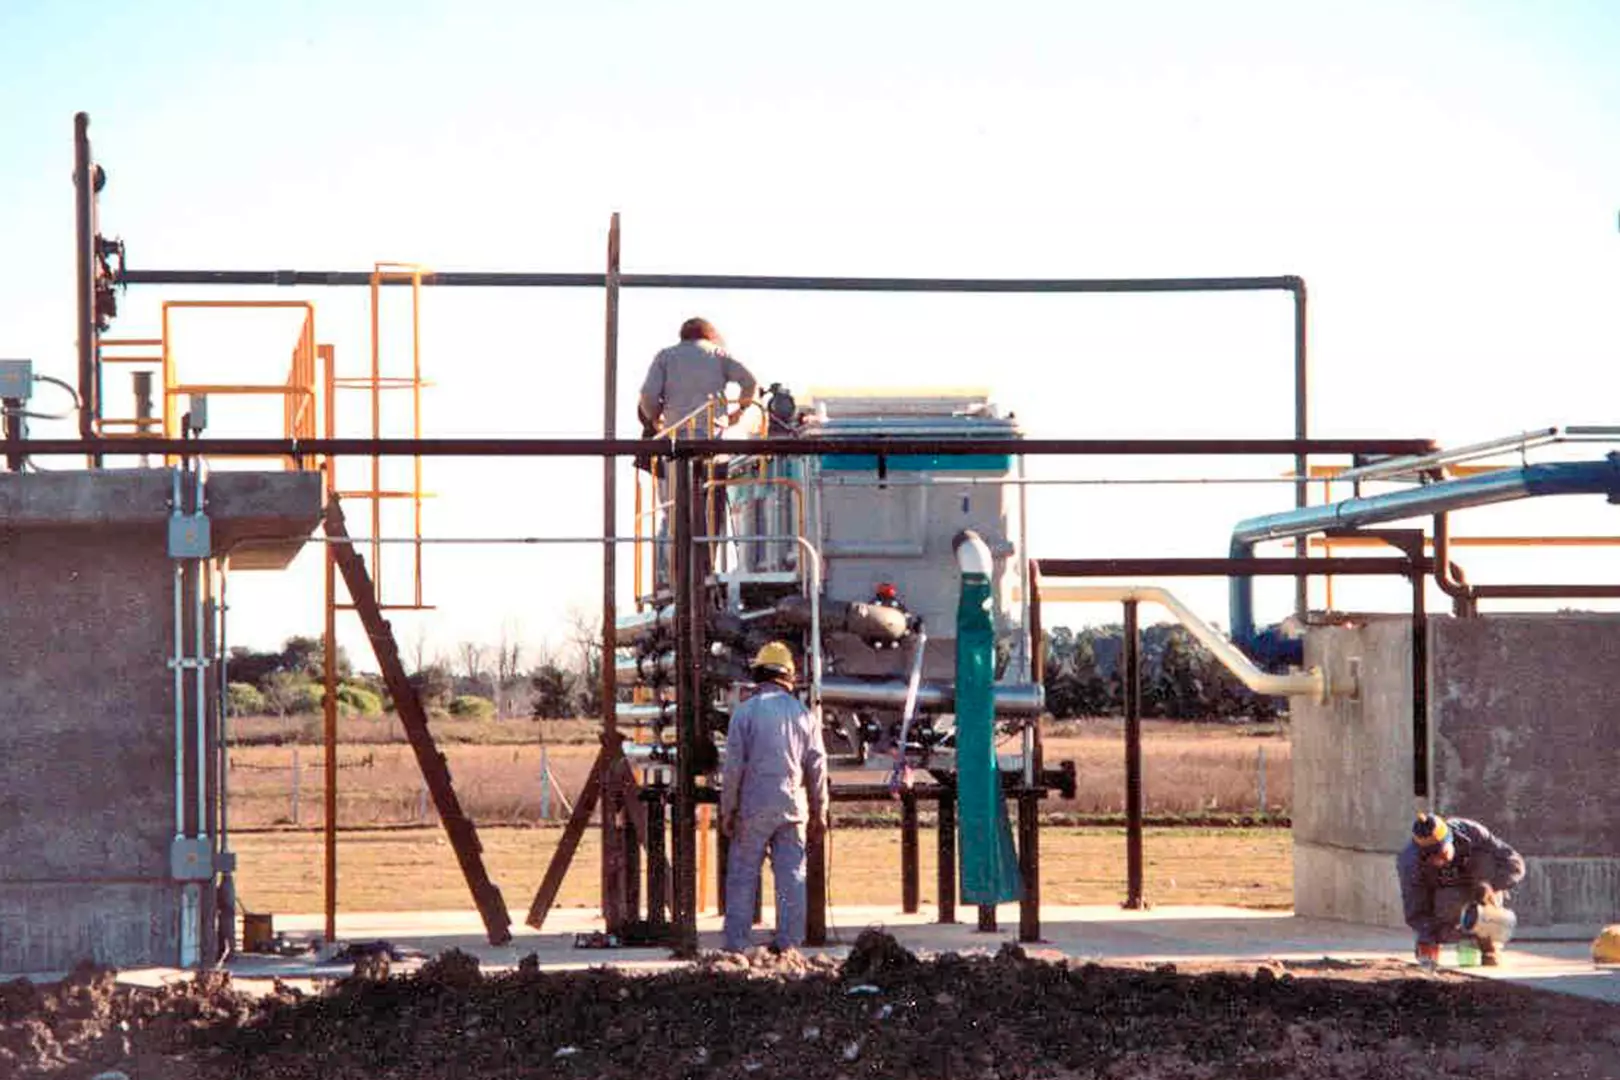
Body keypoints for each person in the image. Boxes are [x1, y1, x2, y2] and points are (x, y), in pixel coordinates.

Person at [720, 641, 829, 953]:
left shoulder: (744, 713)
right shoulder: (804, 716)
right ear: (788, 676)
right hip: (793, 808)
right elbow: (817, 767)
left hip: (753, 808)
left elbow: (733, 768)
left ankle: (738, 946)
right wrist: (820, 812)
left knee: (743, 875)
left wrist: (728, 809)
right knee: (792, 875)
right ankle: (789, 946)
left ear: (759, 674)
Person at [637, 318, 757, 588]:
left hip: (674, 446)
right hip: (711, 445)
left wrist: (656, 419)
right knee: (711, 512)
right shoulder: (718, 354)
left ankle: (675, 577)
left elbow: (646, 394)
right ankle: (706, 569)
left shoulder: (666, 357)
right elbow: (750, 382)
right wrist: (739, 411)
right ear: (711, 336)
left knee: (673, 513)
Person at [1398, 813, 1526, 966]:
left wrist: (1491, 886)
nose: (1439, 861)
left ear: (1450, 840)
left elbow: (1514, 863)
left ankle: (1488, 942)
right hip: (1444, 899)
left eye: (1442, 854)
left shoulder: (1472, 833)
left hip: (1478, 889)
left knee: (1486, 859)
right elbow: (1415, 909)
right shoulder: (1410, 862)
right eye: (1431, 859)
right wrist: (1427, 938)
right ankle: (1436, 945)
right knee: (1429, 944)